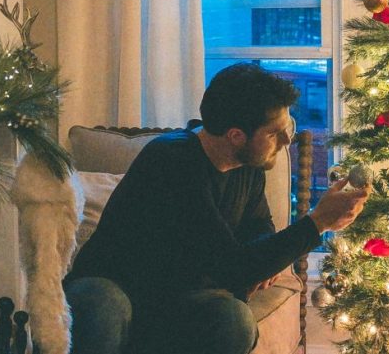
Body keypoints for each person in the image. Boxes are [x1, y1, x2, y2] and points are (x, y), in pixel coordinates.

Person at [64, 63, 370, 354]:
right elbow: (232, 267)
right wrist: (318, 222)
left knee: (233, 320)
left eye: (287, 126)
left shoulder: (248, 166)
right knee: (102, 307)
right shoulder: (173, 162)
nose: (287, 139)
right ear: (236, 135)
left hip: (176, 301)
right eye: (274, 132)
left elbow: (259, 231)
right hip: (118, 288)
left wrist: (265, 261)